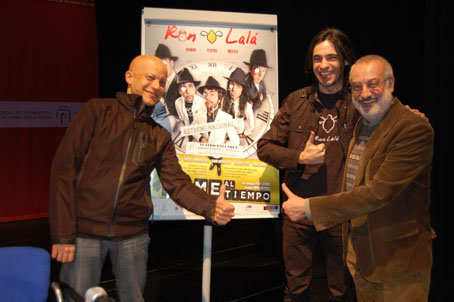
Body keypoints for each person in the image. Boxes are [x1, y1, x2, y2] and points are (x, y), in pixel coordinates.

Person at [49, 55, 235, 302]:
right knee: (75, 298)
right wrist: (63, 235)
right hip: (84, 234)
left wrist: (211, 206)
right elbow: (63, 170)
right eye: (150, 78)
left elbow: (177, 183)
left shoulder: (159, 135)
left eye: (162, 81)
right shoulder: (98, 110)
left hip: (133, 237)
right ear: (129, 77)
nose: (156, 86)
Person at [281, 54, 433, 302]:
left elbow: (377, 192)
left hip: (396, 263)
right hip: (360, 257)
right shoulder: (363, 125)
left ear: (390, 83)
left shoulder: (411, 128)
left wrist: (308, 208)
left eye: (373, 84)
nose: (364, 93)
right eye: (357, 87)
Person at [257, 28, 357, 301]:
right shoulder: (296, 102)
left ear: (345, 60)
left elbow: (388, 118)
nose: (323, 65)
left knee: (342, 290)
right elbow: (264, 147)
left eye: (331, 58)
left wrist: (409, 116)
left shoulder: (358, 102)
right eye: (317, 59)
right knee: (296, 290)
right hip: (298, 212)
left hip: (340, 211)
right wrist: (299, 157)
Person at [193, 76, 240, 145]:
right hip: (202, 154)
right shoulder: (199, 115)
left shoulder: (226, 118)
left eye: (212, 94)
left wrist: (221, 148)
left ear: (219, 99)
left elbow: (235, 141)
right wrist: (201, 138)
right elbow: (191, 128)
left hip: (218, 155)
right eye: (205, 94)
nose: (207, 97)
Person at [222, 67, 255, 141]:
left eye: (238, 86)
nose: (234, 89)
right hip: (225, 135)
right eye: (231, 85)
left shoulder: (246, 106)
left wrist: (245, 133)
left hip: (238, 135)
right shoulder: (223, 101)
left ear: (242, 89)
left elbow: (251, 124)